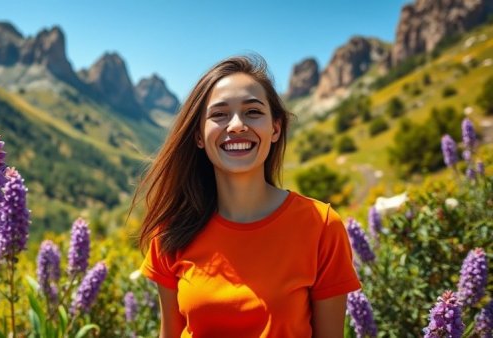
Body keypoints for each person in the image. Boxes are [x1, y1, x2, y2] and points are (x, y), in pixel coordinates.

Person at [133, 55, 361, 337]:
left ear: (275, 128)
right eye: (219, 114)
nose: (237, 125)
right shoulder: (171, 232)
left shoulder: (321, 226)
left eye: (253, 112)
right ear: (199, 136)